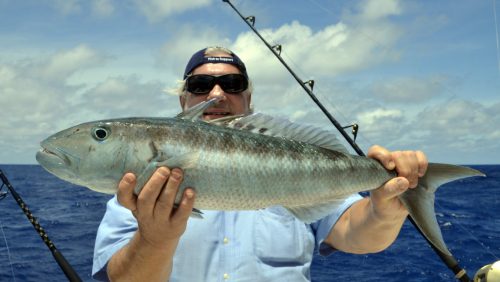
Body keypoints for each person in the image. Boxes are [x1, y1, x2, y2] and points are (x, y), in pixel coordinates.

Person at [92, 46, 428, 281]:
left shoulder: (297, 158)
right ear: (184, 100)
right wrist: (154, 239)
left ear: (248, 100)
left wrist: (386, 209)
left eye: (233, 84)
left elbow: (357, 234)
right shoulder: (135, 191)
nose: (217, 94)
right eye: (200, 85)